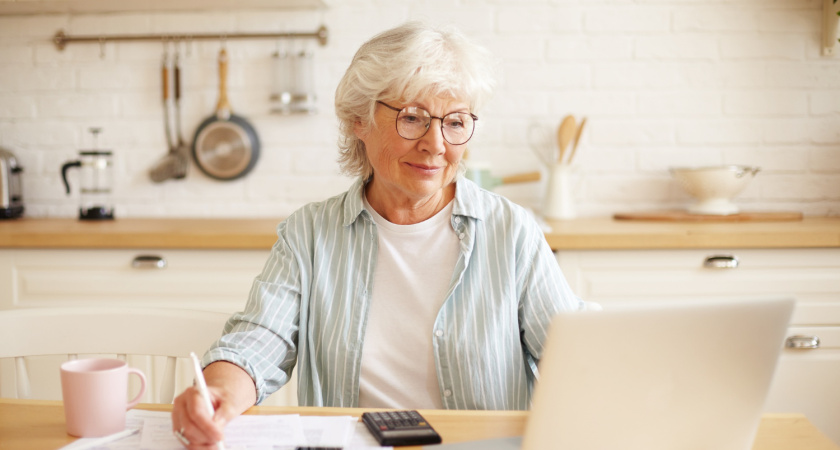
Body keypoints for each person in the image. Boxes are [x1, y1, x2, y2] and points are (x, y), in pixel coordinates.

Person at [171, 21, 590, 448]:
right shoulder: (309, 234)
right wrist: (219, 393)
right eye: (413, 118)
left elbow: (576, 352)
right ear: (359, 119)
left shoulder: (512, 232)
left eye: (455, 122)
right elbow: (260, 340)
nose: (436, 144)